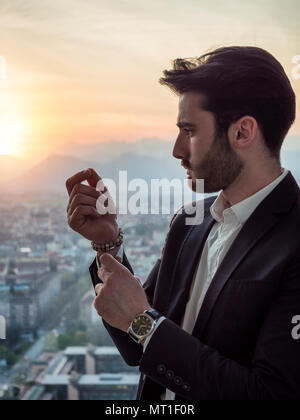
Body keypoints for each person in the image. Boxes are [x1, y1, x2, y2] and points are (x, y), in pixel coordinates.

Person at [66, 46, 300, 400]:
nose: (177, 150)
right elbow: (136, 341)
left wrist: (143, 324)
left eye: (188, 131)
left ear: (243, 132)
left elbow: (270, 394)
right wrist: (108, 245)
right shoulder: (189, 222)